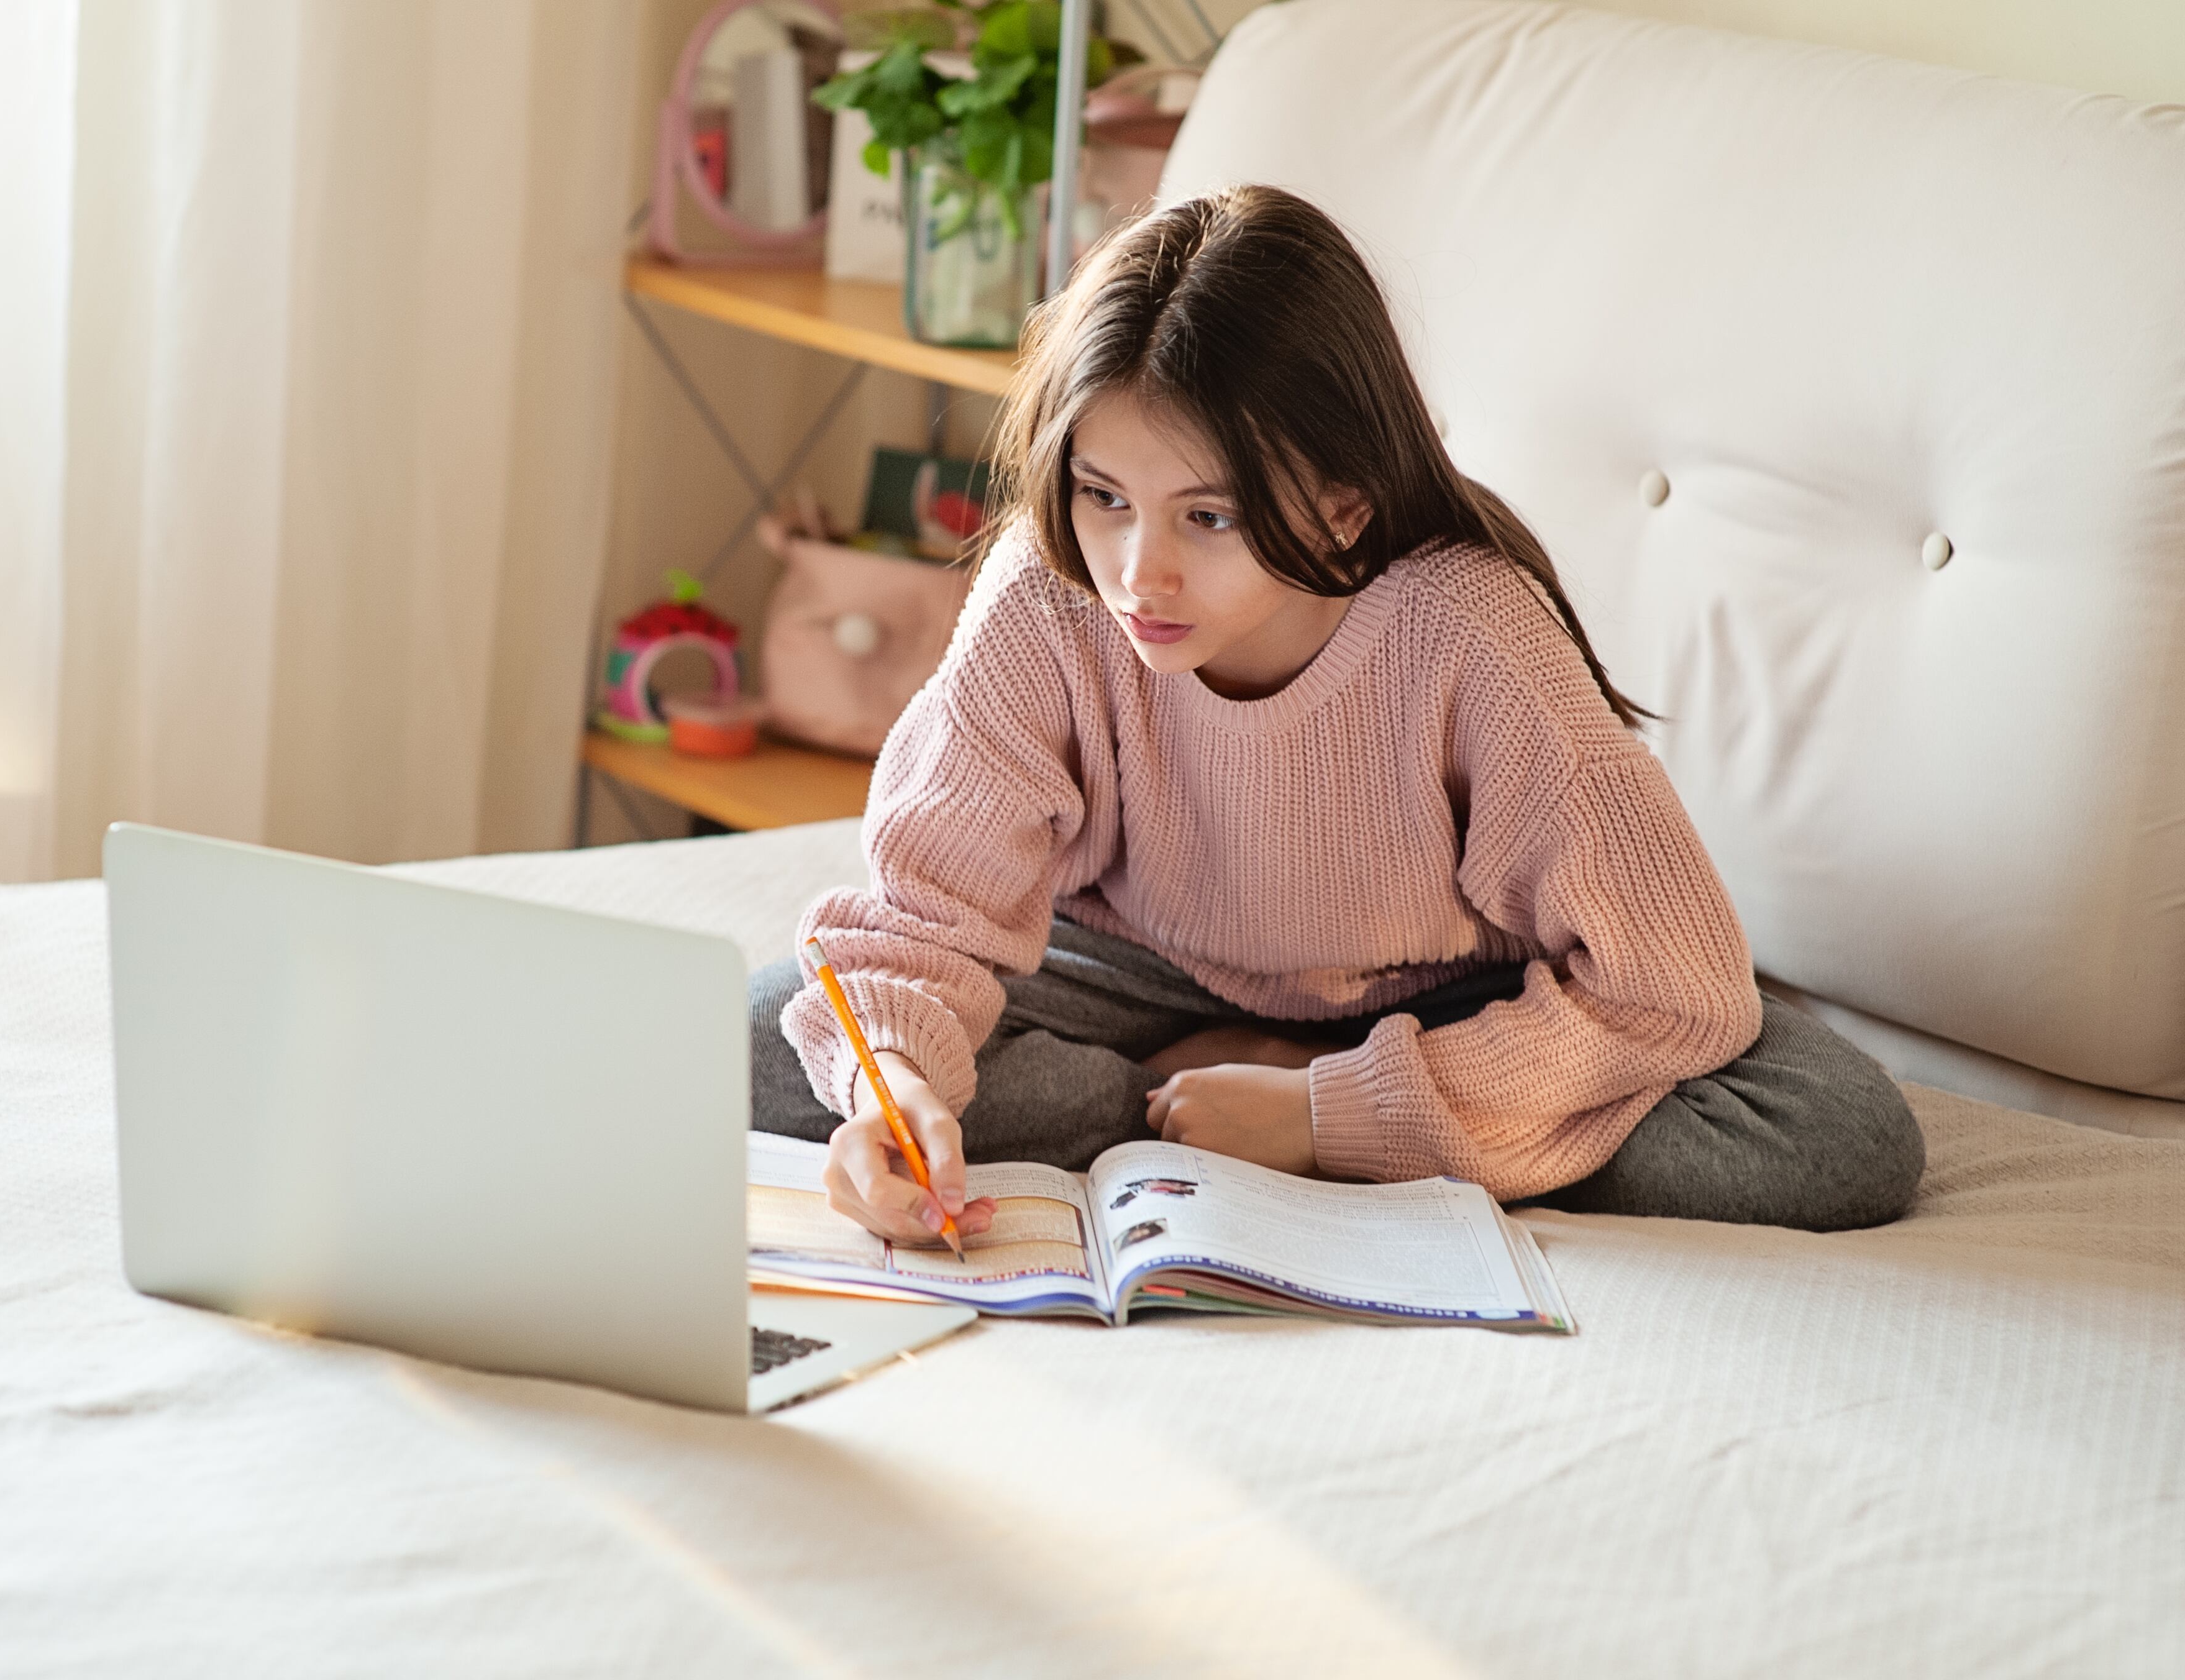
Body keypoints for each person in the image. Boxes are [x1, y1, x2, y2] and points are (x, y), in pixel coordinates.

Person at [749, 185, 1924, 1249]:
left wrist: (1330, 1109)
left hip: (1448, 995)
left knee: (1833, 1132)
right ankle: (1194, 1096)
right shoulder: (1049, 593)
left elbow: (1676, 987)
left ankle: (1287, 1103)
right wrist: (898, 1088)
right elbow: (923, 921)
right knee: (760, 1038)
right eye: (1105, 498)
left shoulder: (1469, 633)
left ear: (1346, 508)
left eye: (1207, 518)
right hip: (1135, 971)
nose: (1136, 573)